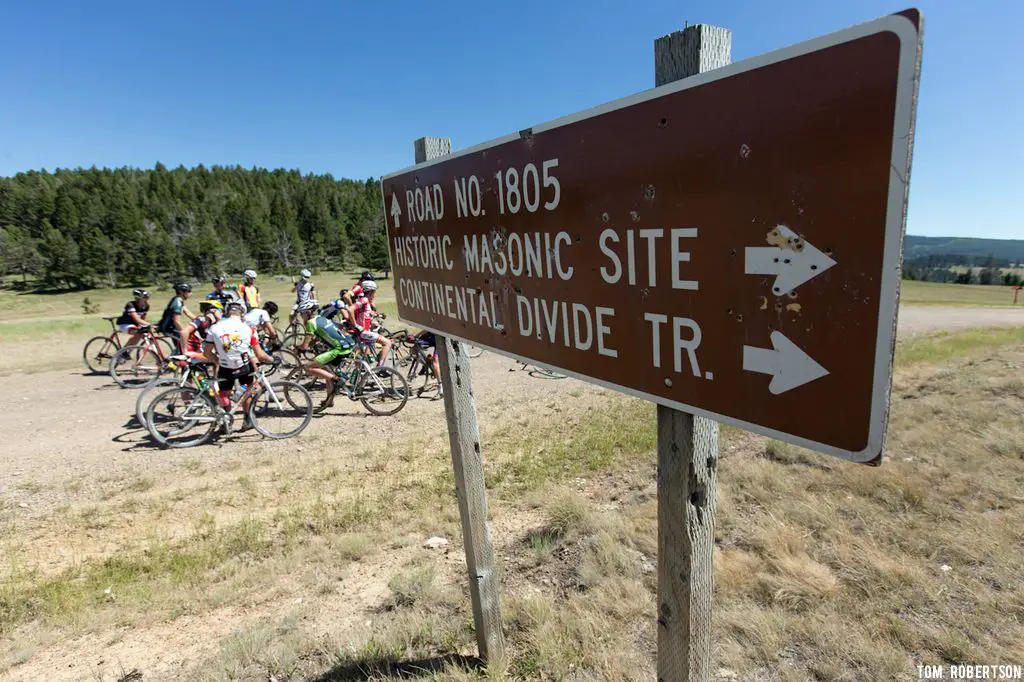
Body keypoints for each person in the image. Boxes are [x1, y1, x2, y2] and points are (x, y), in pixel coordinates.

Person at [203, 301, 277, 419]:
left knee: (224, 394)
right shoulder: (249, 329)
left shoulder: (214, 328)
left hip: (225, 366)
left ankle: (226, 421)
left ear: (226, 312)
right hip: (244, 366)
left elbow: (207, 352)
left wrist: (217, 360)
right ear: (242, 314)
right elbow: (260, 354)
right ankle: (247, 419)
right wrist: (273, 359)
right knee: (247, 392)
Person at [295, 299, 355, 410]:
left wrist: (298, 348)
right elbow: (316, 339)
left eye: (302, 314)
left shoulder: (310, 323)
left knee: (308, 367)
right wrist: (308, 345)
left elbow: (305, 345)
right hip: (347, 346)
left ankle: (337, 380)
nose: (301, 317)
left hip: (338, 350)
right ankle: (329, 400)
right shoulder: (321, 318)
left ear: (308, 312)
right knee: (327, 372)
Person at [350, 279, 392, 367]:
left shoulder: (366, 302)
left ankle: (364, 371)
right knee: (388, 343)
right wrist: (355, 325)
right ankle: (380, 367)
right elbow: (350, 309)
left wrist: (378, 315)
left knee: (367, 356)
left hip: (362, 333)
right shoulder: (364, 300)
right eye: (374, 292)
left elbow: (366, 314)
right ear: (370, 291)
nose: (375, 295)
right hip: (364, 333)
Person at [156, 283, 195, 350]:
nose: (191, 293)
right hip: (170, 328)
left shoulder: (178, 300)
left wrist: (201, 320)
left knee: (185, 345)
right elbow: (176, 321)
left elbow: (188, 313)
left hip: (172, 328)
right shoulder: (177, 303)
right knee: (187, 346)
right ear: (181, 292)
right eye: (189, 291)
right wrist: (185, 332)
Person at [413, 329, 443, 400]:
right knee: (413, 349)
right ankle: (426, 363)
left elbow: (428, 327)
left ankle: (441, 388)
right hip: (430, 336)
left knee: (435, 362)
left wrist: (417, 334)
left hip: (439, 338)